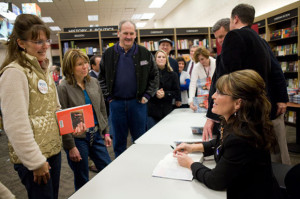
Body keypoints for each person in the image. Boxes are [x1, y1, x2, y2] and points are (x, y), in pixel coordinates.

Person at [174, 69, 282, 199]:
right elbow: (222, 143)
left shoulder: (241, 137)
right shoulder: (236, 121)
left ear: (238, 103)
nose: (213, 96)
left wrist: (190, 164)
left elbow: (215, 181)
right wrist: (194, 147)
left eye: (220, 92)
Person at [203, 4, 290, 164]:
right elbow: (276, 70)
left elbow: (225, 80)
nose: (220, 41)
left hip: (244, 110)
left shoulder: (235, 37)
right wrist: (281, 98)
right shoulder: (260, 40)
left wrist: (213, 115)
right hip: (262, 108)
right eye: (217, 38)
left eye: (222, 36)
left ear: (235, 19)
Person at [0, 14, 62, 199]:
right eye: (38, 41)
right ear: (21, 43)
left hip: (53, 151)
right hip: (35, 160)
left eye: (46, 40)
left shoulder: (43, 70)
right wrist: (35, 162)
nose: (45, 46)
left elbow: (55, 109)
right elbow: (15, 124)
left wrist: (71, 126)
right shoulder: (14, 73)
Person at [99, 20, 159, 157]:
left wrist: (148, 96)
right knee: (119, 141)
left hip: (138, 103)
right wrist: (108, 97)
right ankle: (121, 169)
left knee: (139, 139)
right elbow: (101, 78)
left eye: (131, 33)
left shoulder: (144, 53)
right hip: (116, 104)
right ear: (118, 33)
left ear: (135, 34)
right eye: (125, 33)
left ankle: (139, 165)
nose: (128, 36)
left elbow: (155, 76)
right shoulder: (108, 54)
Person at [57, 49, 112, 190]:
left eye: (86, 63)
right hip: (77, 139)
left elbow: (101, 109)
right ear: (70, 67)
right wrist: (70, 147)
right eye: (79, 64)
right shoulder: (63, 87)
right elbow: (62, 120)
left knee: (108, 167)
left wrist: (106, 132)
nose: (85, 67)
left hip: (96, 134)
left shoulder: (94, 82)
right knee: (82, 177)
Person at [147, 50, 180, 129]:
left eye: (163, 57)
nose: (161, 59)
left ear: (166, 60)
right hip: (152, 112)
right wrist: (155, 93)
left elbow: (177, 93)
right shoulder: (149, 74)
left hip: (167, 111)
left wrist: (165, 94)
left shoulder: (173, 75)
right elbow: (145, 91)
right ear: (155, 60)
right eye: (159, 57)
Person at [158, 38, 181, 107]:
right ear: (159, 47)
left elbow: (177, 81)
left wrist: (178, 98)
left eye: (167, 45)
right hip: (155, 97)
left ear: (171, 48)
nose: (165, 47)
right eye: (163, 45)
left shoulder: (174, 62)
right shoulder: (152, 61)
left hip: (169, 98)